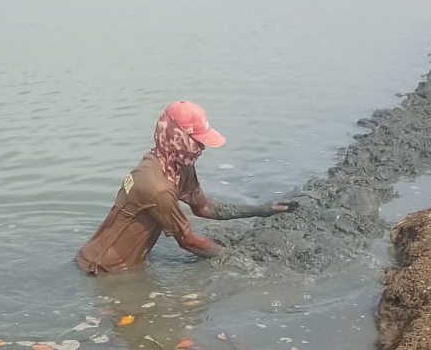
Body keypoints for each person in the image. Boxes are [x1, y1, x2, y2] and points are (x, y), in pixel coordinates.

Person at [75, 100, 299, 274]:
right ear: (174, 137)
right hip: (104, 269)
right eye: (196, 141)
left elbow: (204, 208)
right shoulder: (157, 186)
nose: (201, 148)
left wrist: (261, 209)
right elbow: (187, 241)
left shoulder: (178, 168)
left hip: (123, 263)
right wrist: (238, 259)